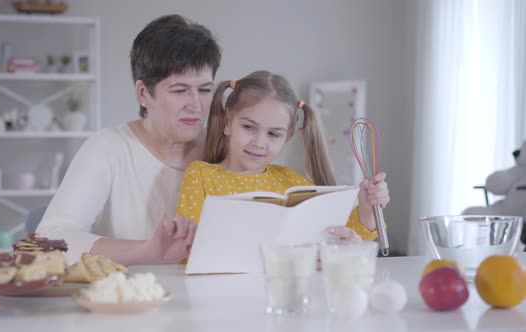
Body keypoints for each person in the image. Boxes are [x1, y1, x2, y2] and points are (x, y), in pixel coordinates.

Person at [36, 14, 222, 265]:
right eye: (180, 90)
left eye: (205, 89)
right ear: (144, 93)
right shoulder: (108, 148)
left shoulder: (223, 148)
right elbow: (49, 239)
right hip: (129, 300)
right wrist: (147, 251)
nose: (196, 105)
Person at [176, 71, 390, 239]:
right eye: (249, 127)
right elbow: (188, 250)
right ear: (227, 123)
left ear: (287, 137)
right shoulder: (201, 176)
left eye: (273, 134)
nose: (259, 143)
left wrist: (366, 210)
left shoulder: (292, 183)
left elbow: (336, 237)